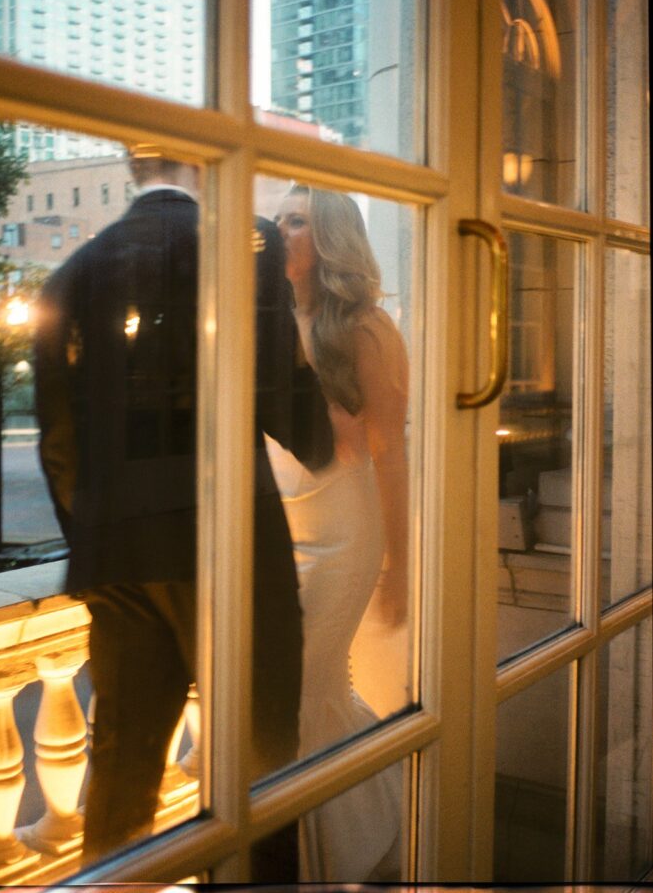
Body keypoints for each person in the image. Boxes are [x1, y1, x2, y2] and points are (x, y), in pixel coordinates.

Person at [33, 149, 333, 880]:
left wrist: (99, 535)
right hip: (228, 550)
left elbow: (57, 443)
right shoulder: (245, 244)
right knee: (261, 765)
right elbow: (277, 389)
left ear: (135, 175)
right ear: (203, 165)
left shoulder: (71, 273)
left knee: (124, 765)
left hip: (117, 556)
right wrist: (319, 434)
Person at [266, 184, 409, 882]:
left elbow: (390, 451)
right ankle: (378, 821)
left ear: (327, 239)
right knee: (314, 694)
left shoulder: (366, 327)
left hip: (344, 535)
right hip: (280, 530)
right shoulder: (268, 320)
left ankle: (348, 846)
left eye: (294, 221)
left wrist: (399, 566)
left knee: (300, 692)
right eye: (278, 219)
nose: (278, 231)